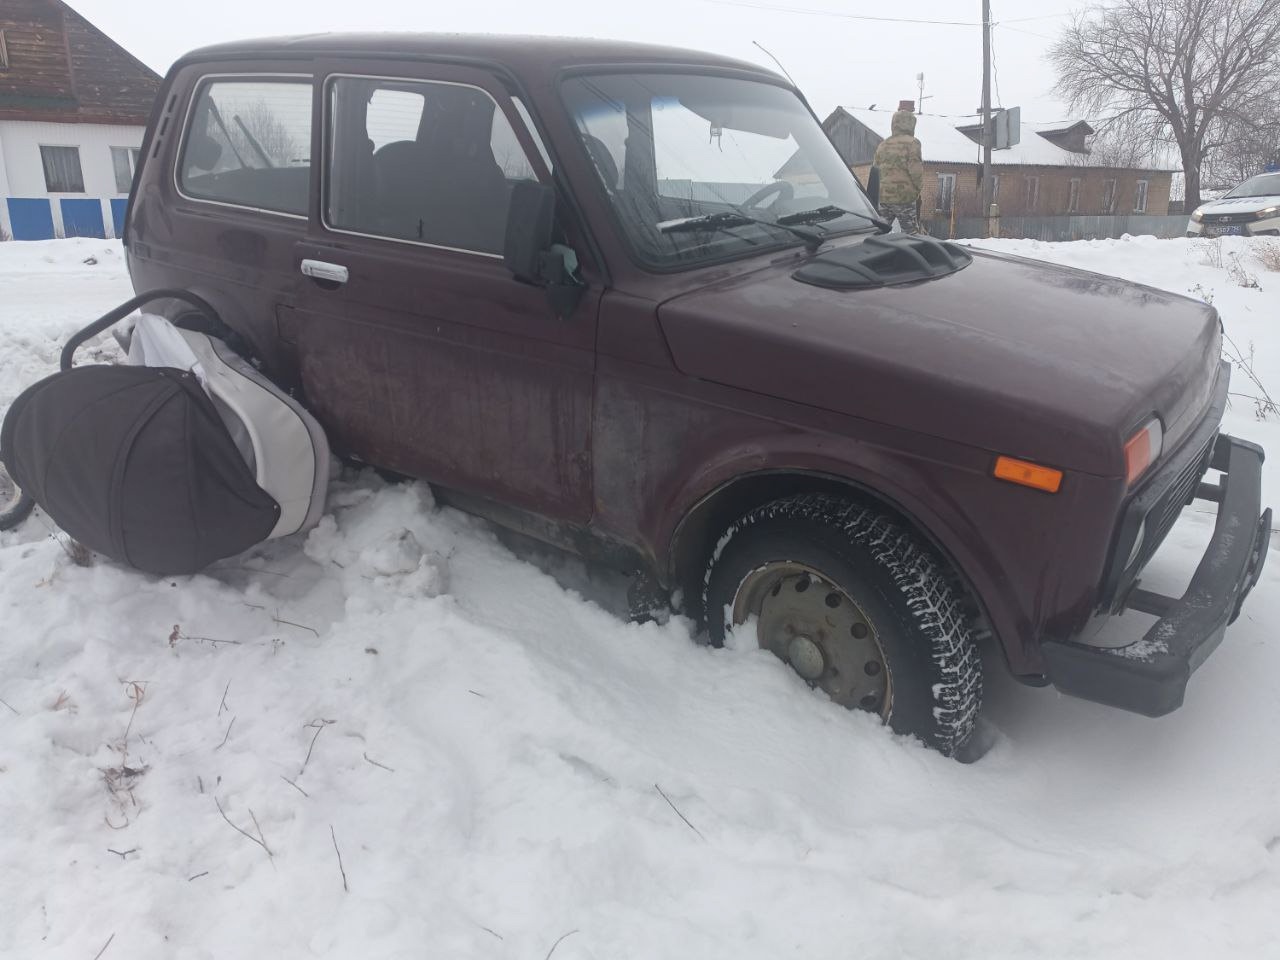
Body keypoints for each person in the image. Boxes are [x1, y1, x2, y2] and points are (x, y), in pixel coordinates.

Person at [873, 99, 926, 234]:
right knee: (911, 234)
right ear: (911, 124)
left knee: (879, 231)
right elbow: (916, 170)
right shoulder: (913, 143)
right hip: (904, 198)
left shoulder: (883, 144)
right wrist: (918, 189)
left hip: (884, 197)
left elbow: (875, 169)